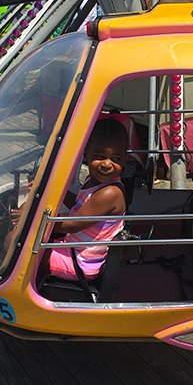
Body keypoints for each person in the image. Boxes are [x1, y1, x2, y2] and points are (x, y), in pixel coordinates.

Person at [41, 118, 128, 281]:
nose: (107, 164)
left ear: (125, 160)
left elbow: (73, 224)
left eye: (116, 159)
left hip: (81, 262)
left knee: (15, 243)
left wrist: (33, 222)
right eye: (100, 156)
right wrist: (51, 192)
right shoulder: (94, 182)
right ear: (86, 154)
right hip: (74, 249)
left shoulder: (110, 193)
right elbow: (79, 204)